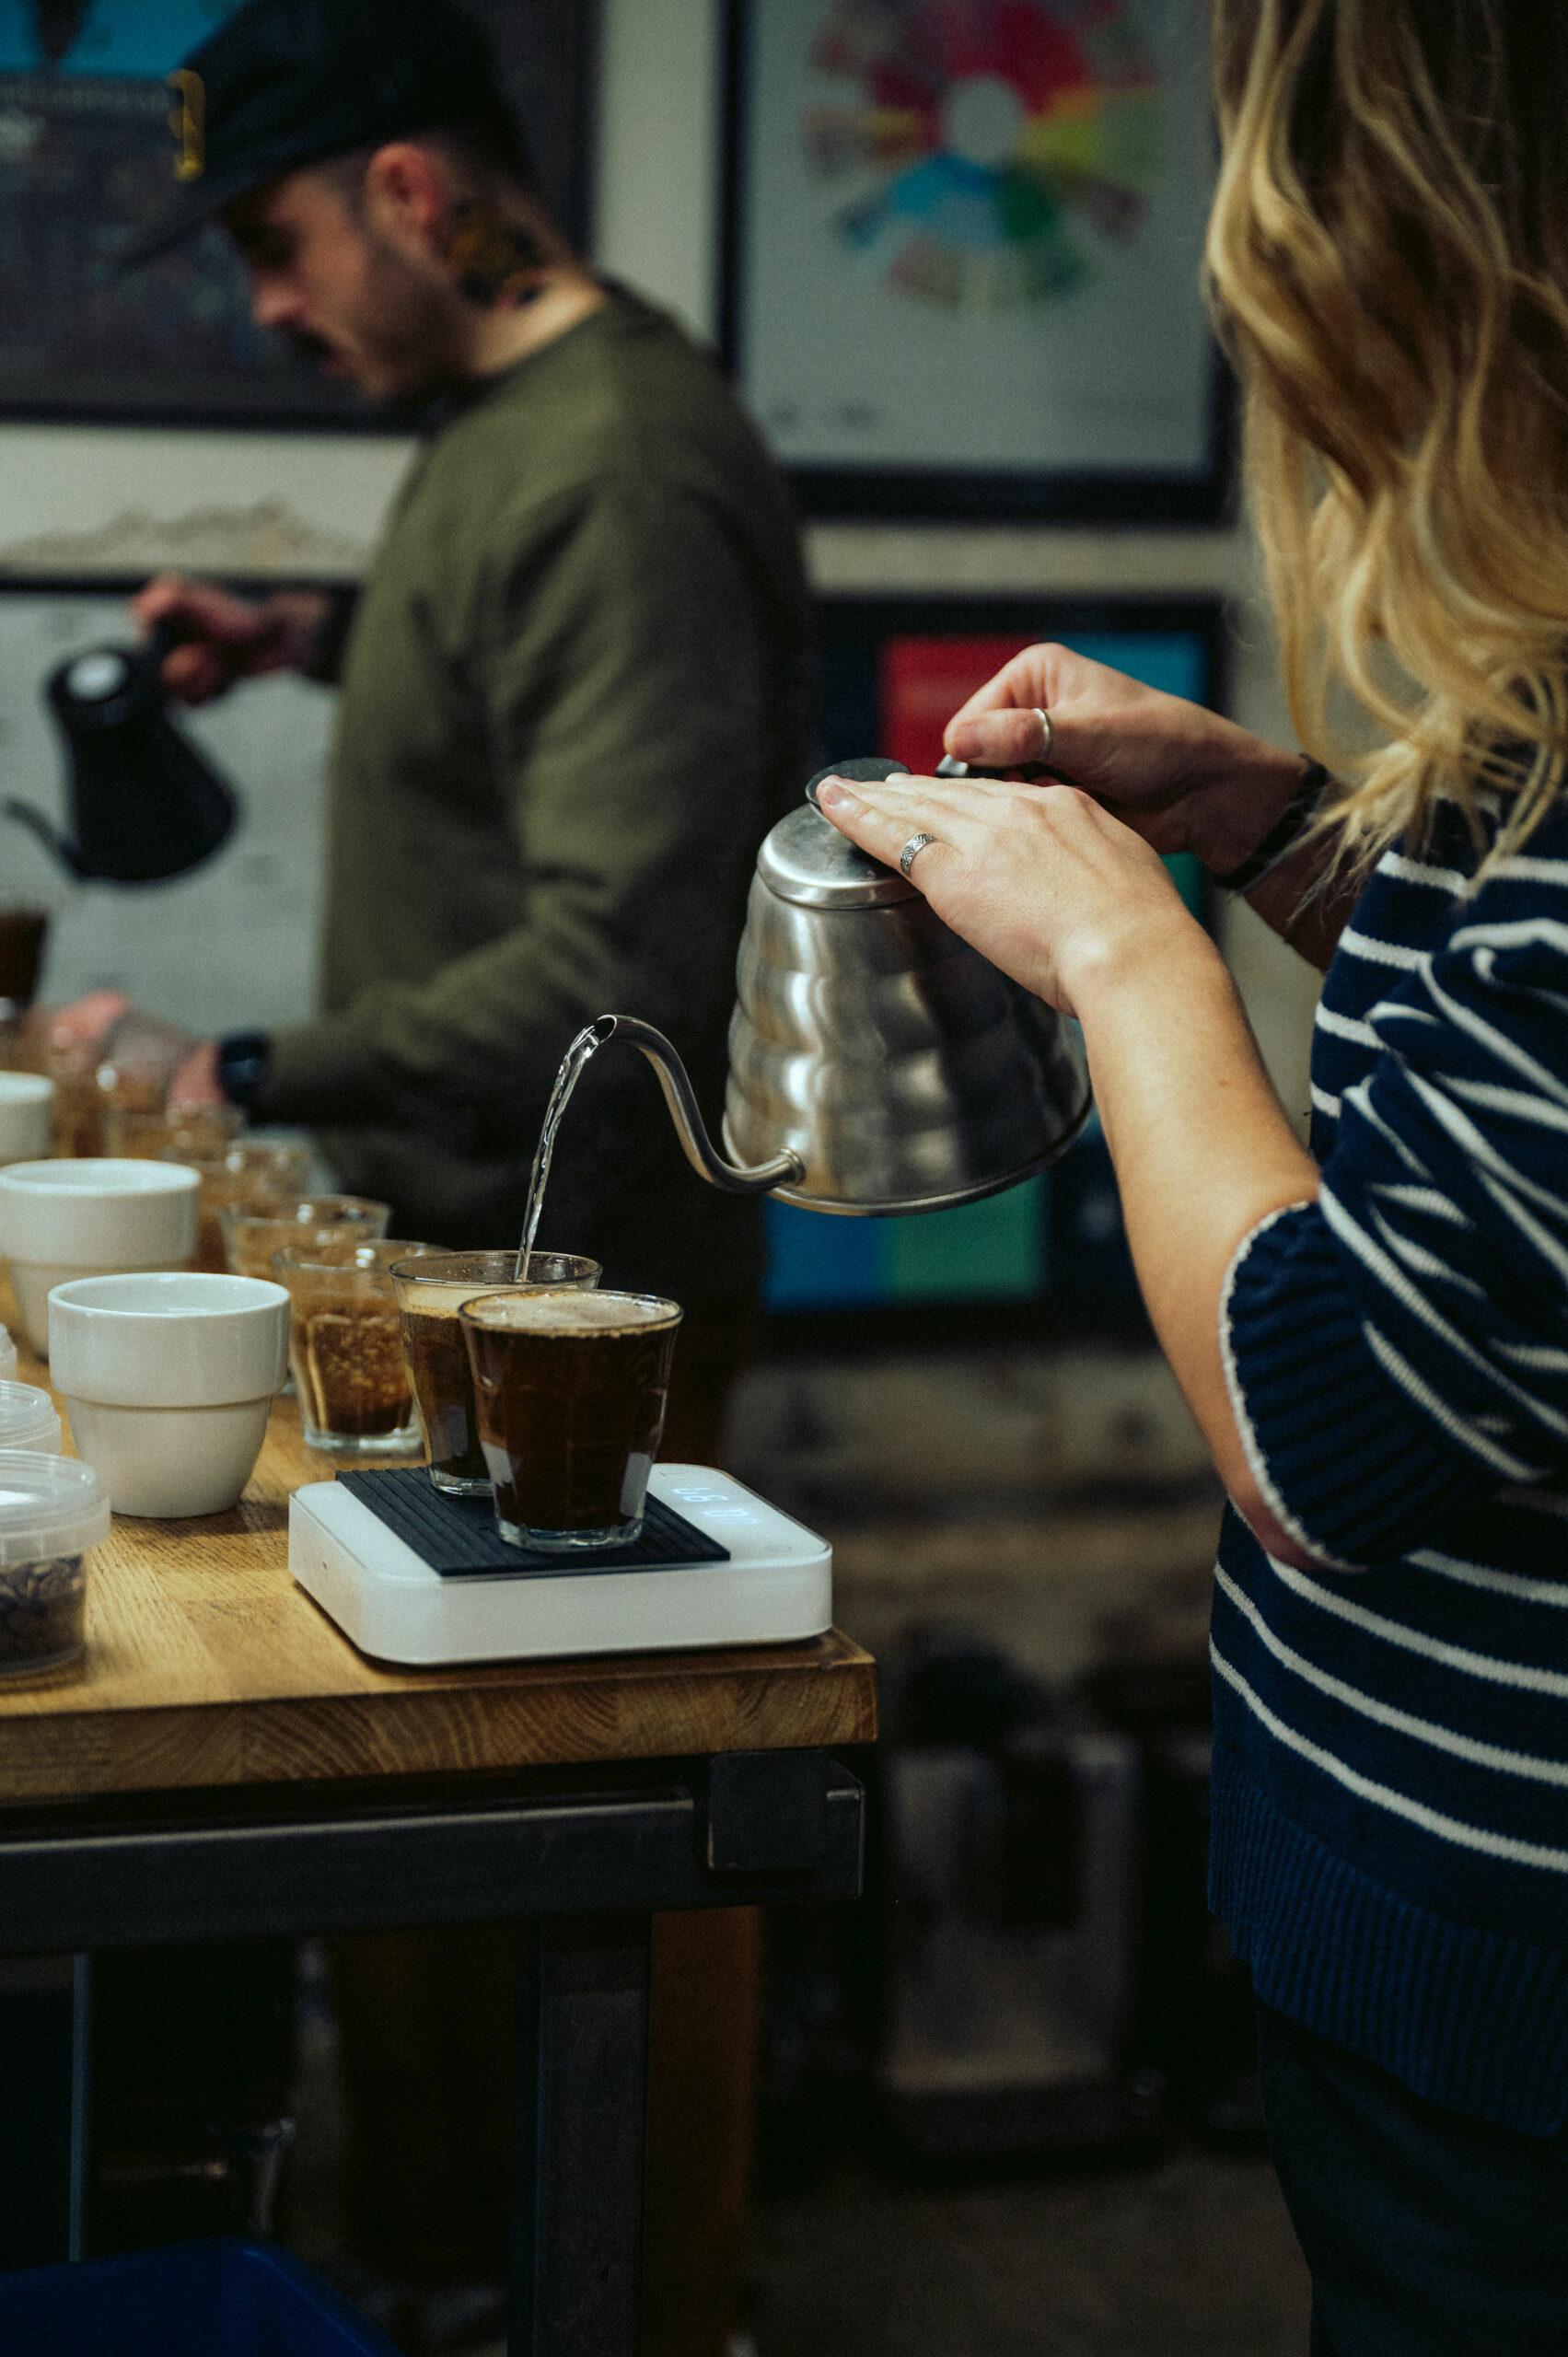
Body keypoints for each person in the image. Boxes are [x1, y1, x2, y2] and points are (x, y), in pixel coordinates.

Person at [56, 3, 811, 2348]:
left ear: (410, 189)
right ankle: (429, 2277)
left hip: (565, 1307)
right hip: (448, 1278)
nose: (267, 304)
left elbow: (623, 950)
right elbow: (524, 689)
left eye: (275, 242)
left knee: (560, 1855)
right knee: (417, 1858)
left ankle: (606, 2306)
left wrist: (236, 1057)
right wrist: (307, 641)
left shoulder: (619, 464)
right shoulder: (509, 434)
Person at [818, 4, 1568, 2349]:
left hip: (1510, 1998)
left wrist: (1126, 951)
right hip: (1422, 1919)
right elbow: (1517, 1067)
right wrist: (1268, 826)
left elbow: (1327, 1427)